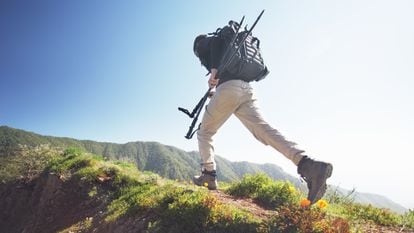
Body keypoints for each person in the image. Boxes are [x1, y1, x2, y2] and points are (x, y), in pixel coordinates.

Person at [191, 33, 333, 204]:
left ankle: (208, 175)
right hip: (245, 89)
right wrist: (217, 91)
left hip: (229, 89)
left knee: (204, 132)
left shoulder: (208, 42)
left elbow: (213, 45)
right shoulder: (230, 47)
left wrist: (213, 72)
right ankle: (308, 164)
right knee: (264, 130)